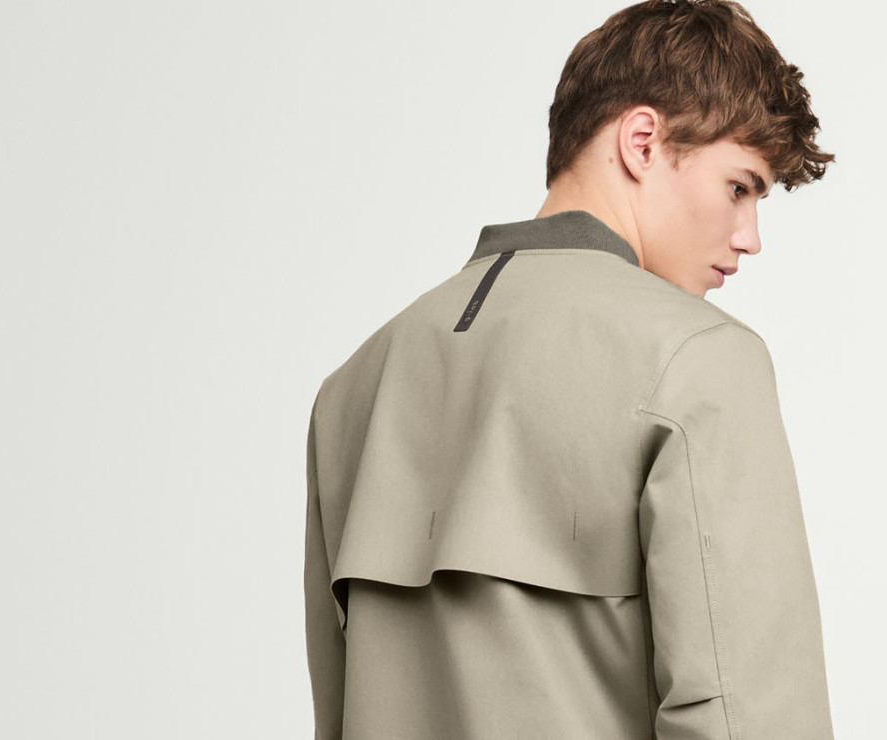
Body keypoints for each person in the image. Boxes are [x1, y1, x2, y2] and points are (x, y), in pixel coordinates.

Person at [303, 1, 836, 737]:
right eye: (739, 187)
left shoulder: (355, 385)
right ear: (643, 142)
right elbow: (750, 719)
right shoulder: (699, 359)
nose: (749, 236)